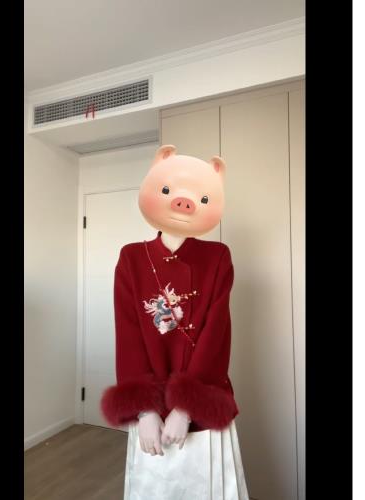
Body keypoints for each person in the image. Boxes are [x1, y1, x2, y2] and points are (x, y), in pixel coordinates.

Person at [101, 145, 249, 499]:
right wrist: (145, 410)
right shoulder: (132, 258)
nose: (184, 203)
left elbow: (216, 336)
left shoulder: (218, 257)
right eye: (169, 190)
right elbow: (129, 335)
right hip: (150, 408)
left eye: (200, 197)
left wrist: (185, 406)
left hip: (202, 397)